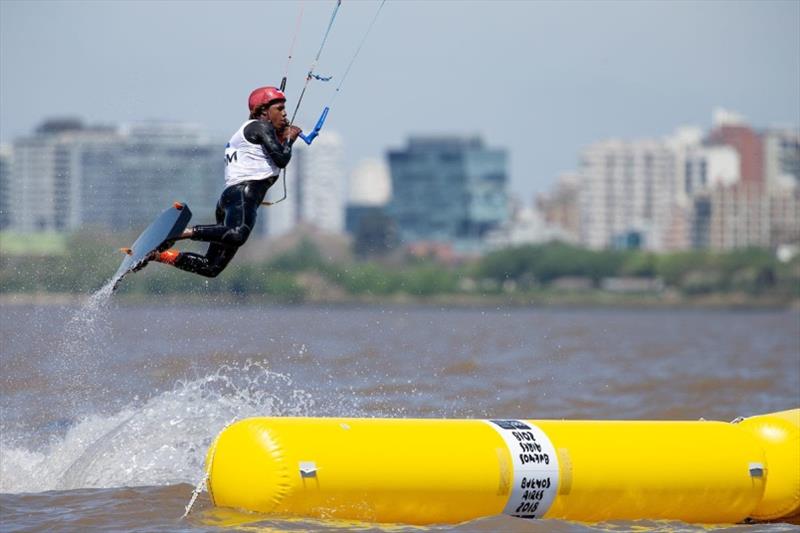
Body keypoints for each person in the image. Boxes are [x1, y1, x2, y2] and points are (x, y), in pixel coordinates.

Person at [150, 87, 302, 277]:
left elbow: (271, 155)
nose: (285, 113)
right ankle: (179, 233)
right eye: (279, 108)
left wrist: (283, 137)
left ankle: (158, 255)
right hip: (243, 195)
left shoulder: (253, 131)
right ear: (264, 111)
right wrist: (289, 139)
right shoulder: (259, 126)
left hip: (231, 200)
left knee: (210, 267)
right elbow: (282, 159)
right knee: (237, 234)